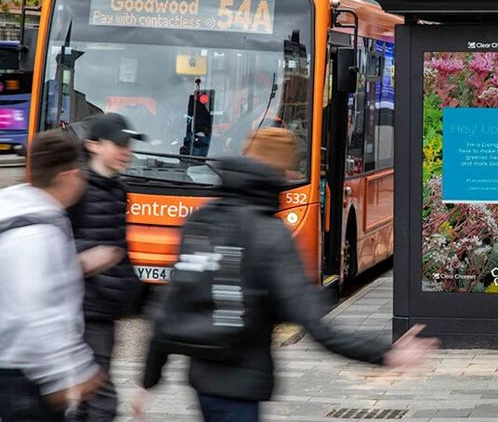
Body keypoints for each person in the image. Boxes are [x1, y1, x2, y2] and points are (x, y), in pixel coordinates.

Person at [131, 127, 437, 422]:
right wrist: (386, 353)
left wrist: (147, 382)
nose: (292, 174)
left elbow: (168, 307)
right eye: (290, 167)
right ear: (278, 175)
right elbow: (317, 327)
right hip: (242, 388)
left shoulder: (200, 221)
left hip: (201, 383)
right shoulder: (269, 235)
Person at [0, 131, 121, 422]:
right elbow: (36, 311)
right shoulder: (39, 233)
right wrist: (73, 372)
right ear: (67, 175)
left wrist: (76, 265)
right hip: (23, 375)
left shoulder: (14, 211)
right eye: (79, 175)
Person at [66, 114, 145, 422]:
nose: (128, 151)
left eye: (130, 144)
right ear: (93, 146)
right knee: (102, 399)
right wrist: (87, 256)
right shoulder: (77, 187)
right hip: (82, 309)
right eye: (120, 144)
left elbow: (118, 248)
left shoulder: (118, 190)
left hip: (105, 310)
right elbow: (54, 243)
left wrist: (138, 293)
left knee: (89, 397)